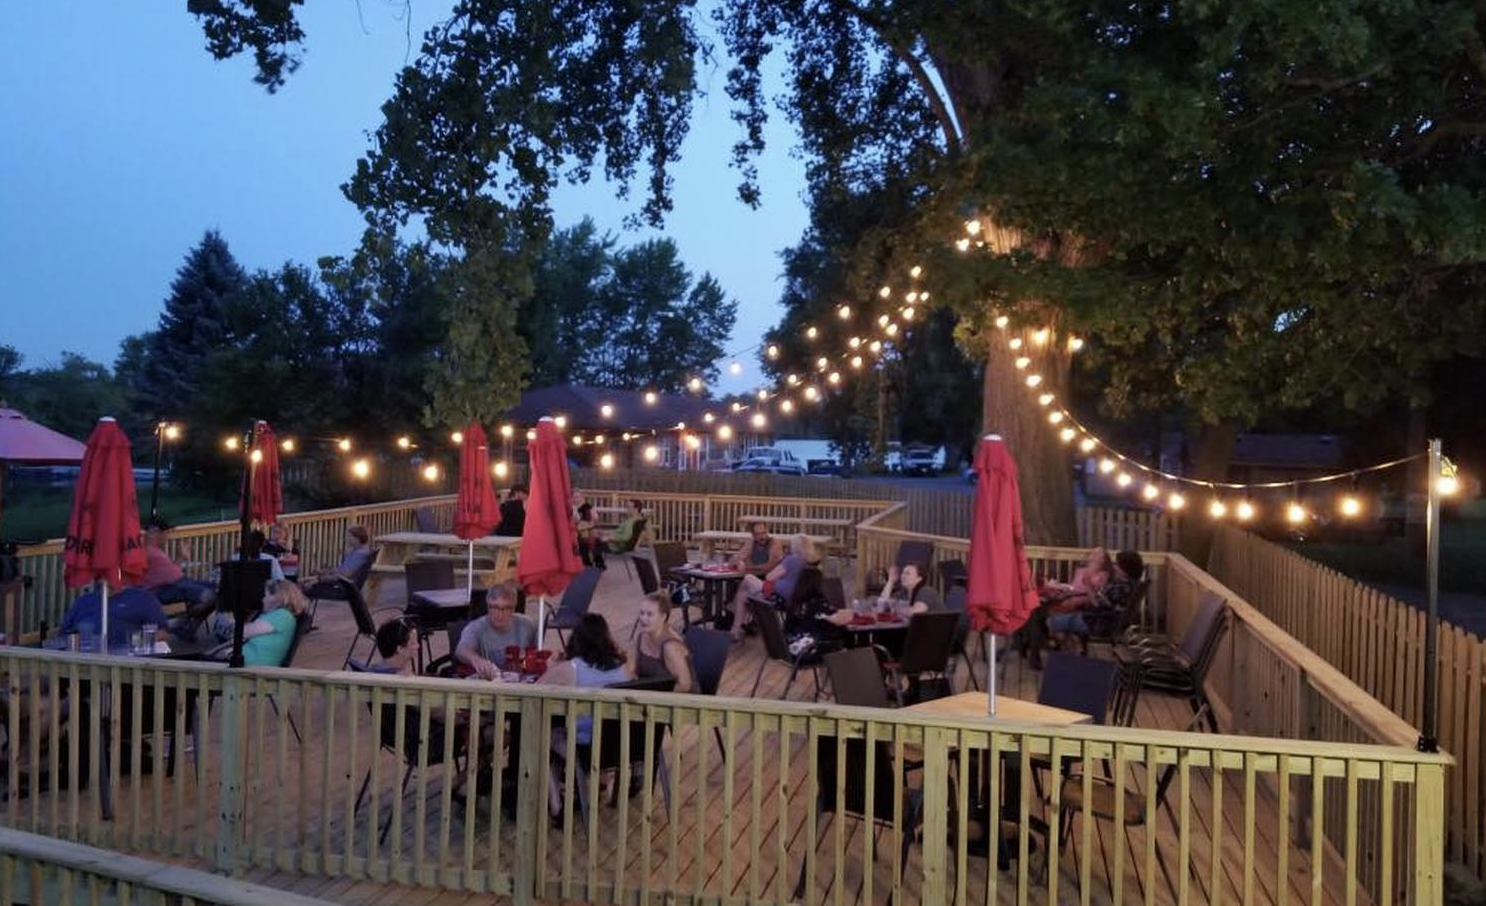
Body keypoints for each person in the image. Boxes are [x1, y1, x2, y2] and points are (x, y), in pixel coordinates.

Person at [539, 613, 632, 815]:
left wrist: (551, 666)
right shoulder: (624, 666)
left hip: (585, 747)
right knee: (557, 733)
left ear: (577, 637)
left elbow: (537, 688)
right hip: (619, 744)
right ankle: (571, 793)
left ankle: (555, 805)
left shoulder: (571, 669)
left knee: (543, 736)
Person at [1046, 550, 1146, 654]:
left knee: (1050, 622)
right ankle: (1076, 650)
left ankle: (1074, 654)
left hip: (1098, 623)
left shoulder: (1120, 587)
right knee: (1066, 619)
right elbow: (1104, 601)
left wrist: (1089, 585)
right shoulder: (1130, 585)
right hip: (1108, 621)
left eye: (1117, 564)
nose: (1114, 567)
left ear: (1125, 569)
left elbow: (1097, 604)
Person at [729, 535, 817, 640]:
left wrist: (783, 561)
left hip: (778, 594)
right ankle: (735, 630)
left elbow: (769, 577)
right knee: (743, 594)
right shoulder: (811, 562)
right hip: (796, 597)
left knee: (748, 579)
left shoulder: (792, 559)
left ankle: (733, 610)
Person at [213, 578, 306, 666]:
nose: (262, 599)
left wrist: (226, 616)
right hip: (251, 660)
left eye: (265, 595)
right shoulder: (280, 615)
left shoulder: (281, 615)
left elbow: (241, 632)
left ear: (277, 597)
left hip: (253, 665)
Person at [455, 582, 539, 680]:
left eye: (506, 608)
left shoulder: (528, 624)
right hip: (490, 683)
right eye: (494, 607)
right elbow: (461, 650)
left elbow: (539, 655)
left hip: (521, 683)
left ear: (514, 608)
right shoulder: (476, 627)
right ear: (487, 606)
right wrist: (476, 660)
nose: (499, 613)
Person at [60, 584, 169, 649]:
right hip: (85, 661)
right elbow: (65, 634)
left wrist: (135, 645)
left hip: (128, 661)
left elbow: (162, 632)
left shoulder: (143, 599)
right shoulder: (84, 601)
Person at [141, 518, 217, 610]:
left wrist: (182, 557)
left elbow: (170, 570)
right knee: (208, 594)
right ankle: (188, 619)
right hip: (161, 589)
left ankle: (193, 618)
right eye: (166, 532)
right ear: (155, 532)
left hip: (178, 582)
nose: (167, 536)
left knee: (217, 588)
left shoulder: (156, 550)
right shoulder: (143, 550)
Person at [631, 592, 694, 693]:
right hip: (650, 697)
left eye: (649, 614)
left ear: (663, 616)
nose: (643, 618)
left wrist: (653, 698)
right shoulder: (641, 637)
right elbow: (634, 672)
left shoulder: (671, 647)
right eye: (641, 613)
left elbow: (684, 686)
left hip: (679, 700)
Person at [301, 526, 373, 595]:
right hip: (342, 583)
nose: (346, 539)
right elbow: (342, 571)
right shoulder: (356, 551)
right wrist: (325, 572)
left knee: (303, 586)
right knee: (303, 581)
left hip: (343, 588)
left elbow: (345, 575)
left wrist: (318, 579)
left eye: (349, 536)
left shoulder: (360, 555)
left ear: (357, 538)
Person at [876, 562, 942, 615]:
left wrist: (894, 608)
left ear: (919, 578)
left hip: (937, 630)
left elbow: (916, 613)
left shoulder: (926, 591)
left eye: (908, 573)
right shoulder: (903, 592)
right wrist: (891, 581)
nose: (903, 576)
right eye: (903, 572)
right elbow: (882, 603)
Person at [573, 492, 606, 569]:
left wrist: (588, 523)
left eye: (578, 497)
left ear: (582, 498)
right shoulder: (572, 507)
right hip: (576, 529)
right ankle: (587, 563)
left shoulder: (588, 507)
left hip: (585, 529)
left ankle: (590, 563)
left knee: (589, 540)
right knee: (583, 540)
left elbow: (595, 518)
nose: (576, 499)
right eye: (574, 497)